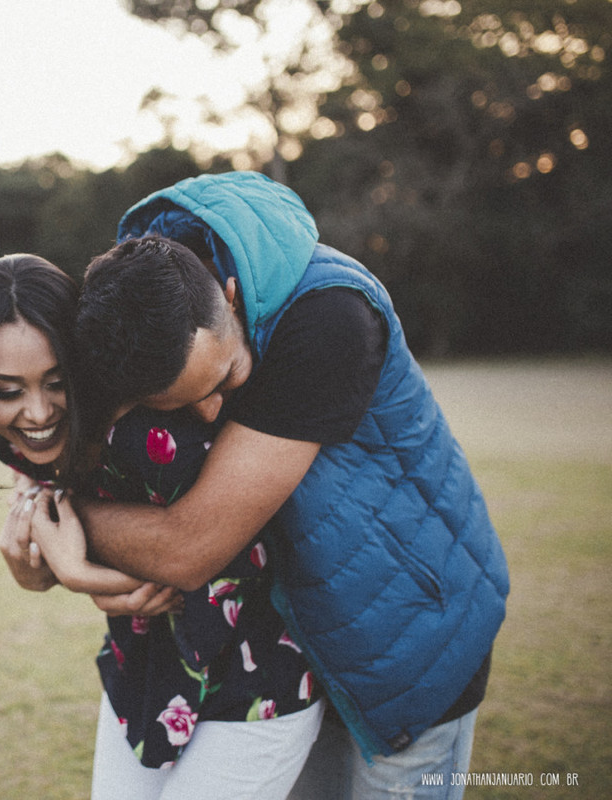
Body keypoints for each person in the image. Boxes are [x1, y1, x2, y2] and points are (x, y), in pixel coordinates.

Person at [60, 171, 509, 798]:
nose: (215, 415)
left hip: (409, 643)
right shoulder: (144, 315)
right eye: (187, 406)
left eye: (228, 379)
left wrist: (64, 523)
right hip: (303, 650)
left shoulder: (330, 315)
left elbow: (188, 548)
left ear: (233, 295)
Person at [0, 253, 323, 799]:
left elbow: (209, 567)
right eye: (7, 391)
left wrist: (76, 572)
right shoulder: (12, 439)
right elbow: (33, 472)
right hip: (144, 679)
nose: (35, 413)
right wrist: (35, 501)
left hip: (253, 681)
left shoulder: (151, 439)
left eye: (57, 383)